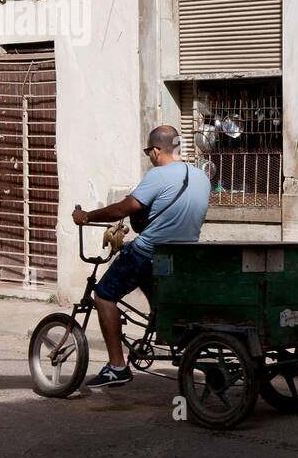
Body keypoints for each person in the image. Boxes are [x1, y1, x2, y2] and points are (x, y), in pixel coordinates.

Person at [71, 125, 210, 388]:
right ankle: (164, 330)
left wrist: (87, 216)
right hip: (184, 255)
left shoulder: (157, 175)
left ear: (157, 150)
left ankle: (117, 366)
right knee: (156, 294)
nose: (149, 156)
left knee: (103, 295)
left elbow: (124, 209)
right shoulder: (201, 177)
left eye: (149, 152)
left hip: (149, 252)